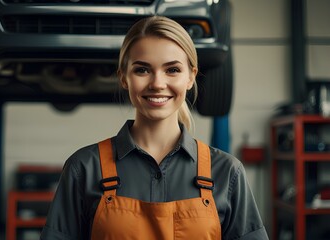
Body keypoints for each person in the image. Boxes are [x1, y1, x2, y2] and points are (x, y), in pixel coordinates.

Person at [40, 16, 268, 240]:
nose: (158, 83)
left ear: (191, 77)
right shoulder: (84, 168)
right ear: (124, 78)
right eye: (142, 70)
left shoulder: (226, 173)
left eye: (172, 70)